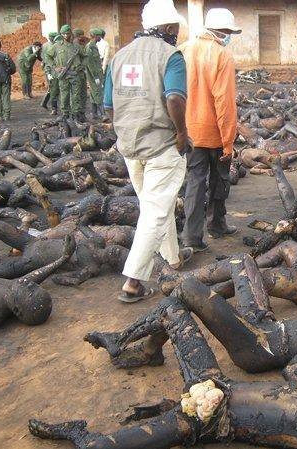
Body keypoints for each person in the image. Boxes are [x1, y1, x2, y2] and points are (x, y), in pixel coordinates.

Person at [104, 0, 193, 302]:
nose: (177, 33)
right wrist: (182, 133)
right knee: (155, 211)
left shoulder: (119, 56)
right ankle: (133, 282)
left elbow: (108, 105)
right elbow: (175, 98)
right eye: (176, 28)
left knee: (155, 205)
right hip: (162, 146)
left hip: (131, 147)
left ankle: (173, 257)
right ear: (167, 27)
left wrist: (126, 127)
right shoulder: (171, 56)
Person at [179, 8, 241, 252]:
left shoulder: (183, 50)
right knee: (219, 179)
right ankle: (216, 225)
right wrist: (228, 142)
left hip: (189, 131)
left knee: (195, 181)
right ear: (223, 31)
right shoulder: (222, 55)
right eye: (229, 32)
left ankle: (191, 237)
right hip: (214, 131)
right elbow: (224, 101)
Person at [49, 25, 85, 120]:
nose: (66, 36)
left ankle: (75, 113)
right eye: (63, 34)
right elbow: (47, 56)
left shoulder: (76, 46)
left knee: (76, 95)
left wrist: (81, 66)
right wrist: (55, 67)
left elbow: (85, 56)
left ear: (70, 33)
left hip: (75, 74)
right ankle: (65, 113)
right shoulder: (56, 46)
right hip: (63, 75)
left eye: (67, 33)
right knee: (64, 95)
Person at [85, 28, 105, 118]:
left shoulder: (94, 46)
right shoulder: (89, 47)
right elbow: (90, 64)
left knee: (94, 93)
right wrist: (96, 77)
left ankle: (94, 114)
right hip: (93, 75)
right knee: (97, 93)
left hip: (97, 74)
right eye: (99, 36)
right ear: (95, 36)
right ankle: (103, 114)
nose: (100, 38)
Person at [40, 32, 60, 113]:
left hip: (55, 68)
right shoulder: (47, 46)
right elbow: (44, 58)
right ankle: (53, 108)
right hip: (50, 69)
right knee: (53, 88)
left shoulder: (50, 45)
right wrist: (48, 72)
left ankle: (44, 102)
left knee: (53, 88)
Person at [73, 28, 88, 120]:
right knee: (79, 94)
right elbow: (85, 56)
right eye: (82, 35)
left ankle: (78, 114)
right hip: (77, 73)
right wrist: (82, 66)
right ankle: (79, 114)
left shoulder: (77, 45)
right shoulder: (77, 45)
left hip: (78, 72)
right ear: (79, 36)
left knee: (78, 94)